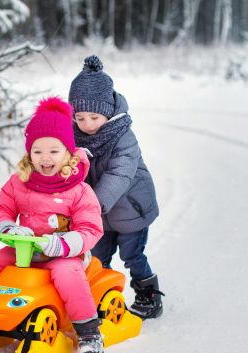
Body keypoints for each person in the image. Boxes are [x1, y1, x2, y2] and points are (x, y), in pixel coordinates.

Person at [0, 96, 106, 353]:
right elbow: (0, 208)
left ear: (67, 152)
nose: (45, 158)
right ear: (28, 153)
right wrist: (8, 227)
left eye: (54, 151)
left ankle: (88, 332)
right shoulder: (19, 182)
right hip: (25, 252)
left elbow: (91, 228)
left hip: (65, 254)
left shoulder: (79, 189)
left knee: (67, 274)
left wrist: (63, 245)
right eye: (37, 151)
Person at [68, 55, 165, 319]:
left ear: (108, 112)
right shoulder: (73, 138)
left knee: (132, 256)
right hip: (98, 214)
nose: (86, 124)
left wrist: (92, 205)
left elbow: (119, 173)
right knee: (97, 259)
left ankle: (148, 295)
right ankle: (102, 299)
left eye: (94, 116)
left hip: (130, 209)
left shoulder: (123, 136)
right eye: (80, 117)